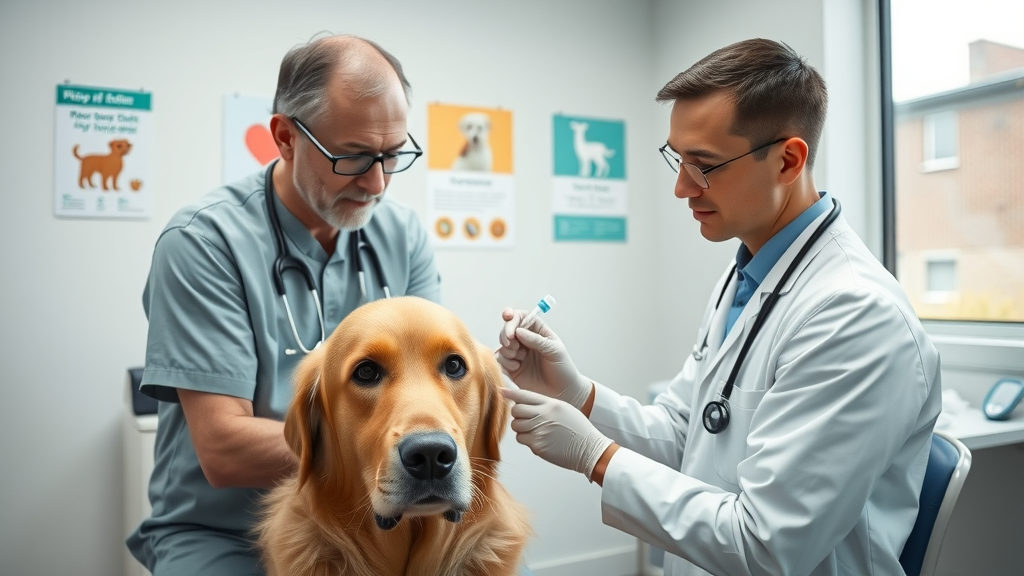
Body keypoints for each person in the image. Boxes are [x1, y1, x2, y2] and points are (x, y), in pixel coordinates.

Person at [497, 38, 941, 576]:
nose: (683, 187)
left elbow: (767, 546)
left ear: (788, 161)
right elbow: (691, 434)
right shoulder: (748, 272)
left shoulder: (856, 316)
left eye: (704, 164)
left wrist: (597, 458)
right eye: (677, 159)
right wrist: (578, 393)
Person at [126, 34, 441, 575]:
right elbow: (225, 449)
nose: (377, 183)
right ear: (285, 137)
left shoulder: (402, 235)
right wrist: (380, 451)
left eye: (392, 156)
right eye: (353, 158)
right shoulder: (204, 243)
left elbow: (431, 393)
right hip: (225, 534)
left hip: (371, 520)